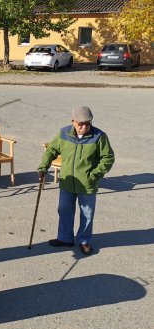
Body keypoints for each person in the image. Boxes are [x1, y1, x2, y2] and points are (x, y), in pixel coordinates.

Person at [37, 106, 115, 255]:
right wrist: (43, 167)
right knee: (64, 210)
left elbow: (108, 158)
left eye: (88, 123)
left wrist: (94, 175)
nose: (85, 127)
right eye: (81, 124)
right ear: (73, 121)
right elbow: (52, 150)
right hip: (67, 182)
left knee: (87, 213)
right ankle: (65, 238)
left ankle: (84, 241)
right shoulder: (64, 133)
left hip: (87, 184)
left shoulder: (99, 136)